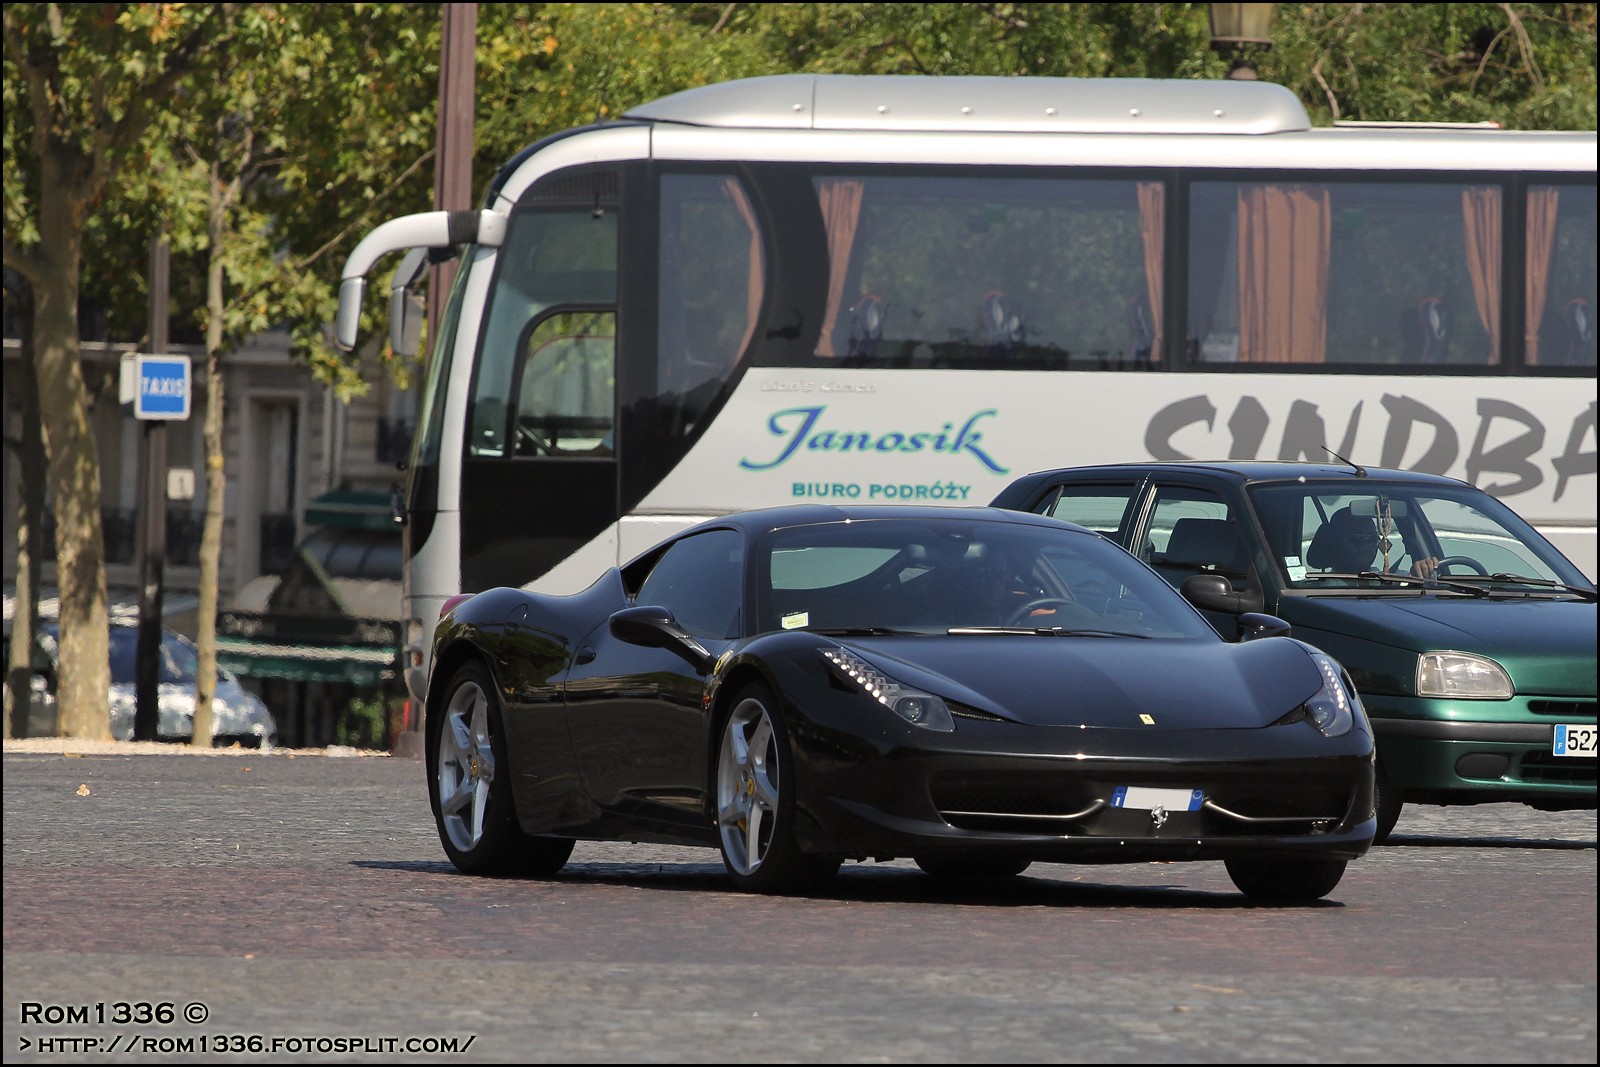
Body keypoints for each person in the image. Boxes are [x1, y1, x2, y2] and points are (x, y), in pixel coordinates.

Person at [1309, 507, 1439, 578]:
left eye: (1371, 539)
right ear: (1334, 541)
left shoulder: (1393, 580)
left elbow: (1410, 581)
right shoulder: (1316, 592)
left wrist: (1419, 573)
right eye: (1357, 539)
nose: (1366, 545)